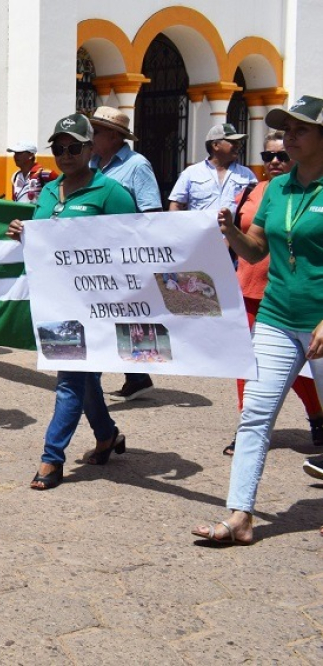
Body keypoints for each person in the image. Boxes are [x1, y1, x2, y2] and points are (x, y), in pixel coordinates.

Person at [192, 95, 323, 544]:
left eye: (301, 129)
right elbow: (257, 250)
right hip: (277, 317)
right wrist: (230, 232)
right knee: (254, 415)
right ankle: (241, 515)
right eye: (286, 128)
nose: (289, 136)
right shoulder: (276, 188)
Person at [6, 113, 137, 490]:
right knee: (84, 376)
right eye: (58, 148)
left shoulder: (110, 192)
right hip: (55, 299)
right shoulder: (48, 191)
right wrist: (23, 233)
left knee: (70, 378)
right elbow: (42, 238)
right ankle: (108, 434)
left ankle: (52, 458)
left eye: (73, 147)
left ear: (90, 148)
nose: (65, 154)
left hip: (96, 302)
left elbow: (135, 244)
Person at [223, 130, 323, 456]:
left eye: (281, 155)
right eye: (268, 157)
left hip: (285, 291)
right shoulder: (255, 190)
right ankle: (249, 426)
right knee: (246, 361)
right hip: (247, 285)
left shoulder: (304, 191)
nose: (275, 162)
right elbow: (242, 239)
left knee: (300, 365)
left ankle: (316, 412)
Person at [88, 106, 163, 402]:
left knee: (122, 312)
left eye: (94, 132)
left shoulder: (136, 165)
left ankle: (125, 374)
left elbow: (150, 212)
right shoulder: (91, 162)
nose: (89, 137)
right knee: (108, 312)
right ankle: (136, 375)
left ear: (114, 136)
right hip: (95, 251)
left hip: (124, 251)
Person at [168, 123, 257, 212]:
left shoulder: (247, 174)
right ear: (215, 145)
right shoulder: (191, 173)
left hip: (233, 226)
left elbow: (256, 204)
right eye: (232, 142)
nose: (237, 145)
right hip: (199, 226)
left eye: (238, 142)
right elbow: (176, 204)